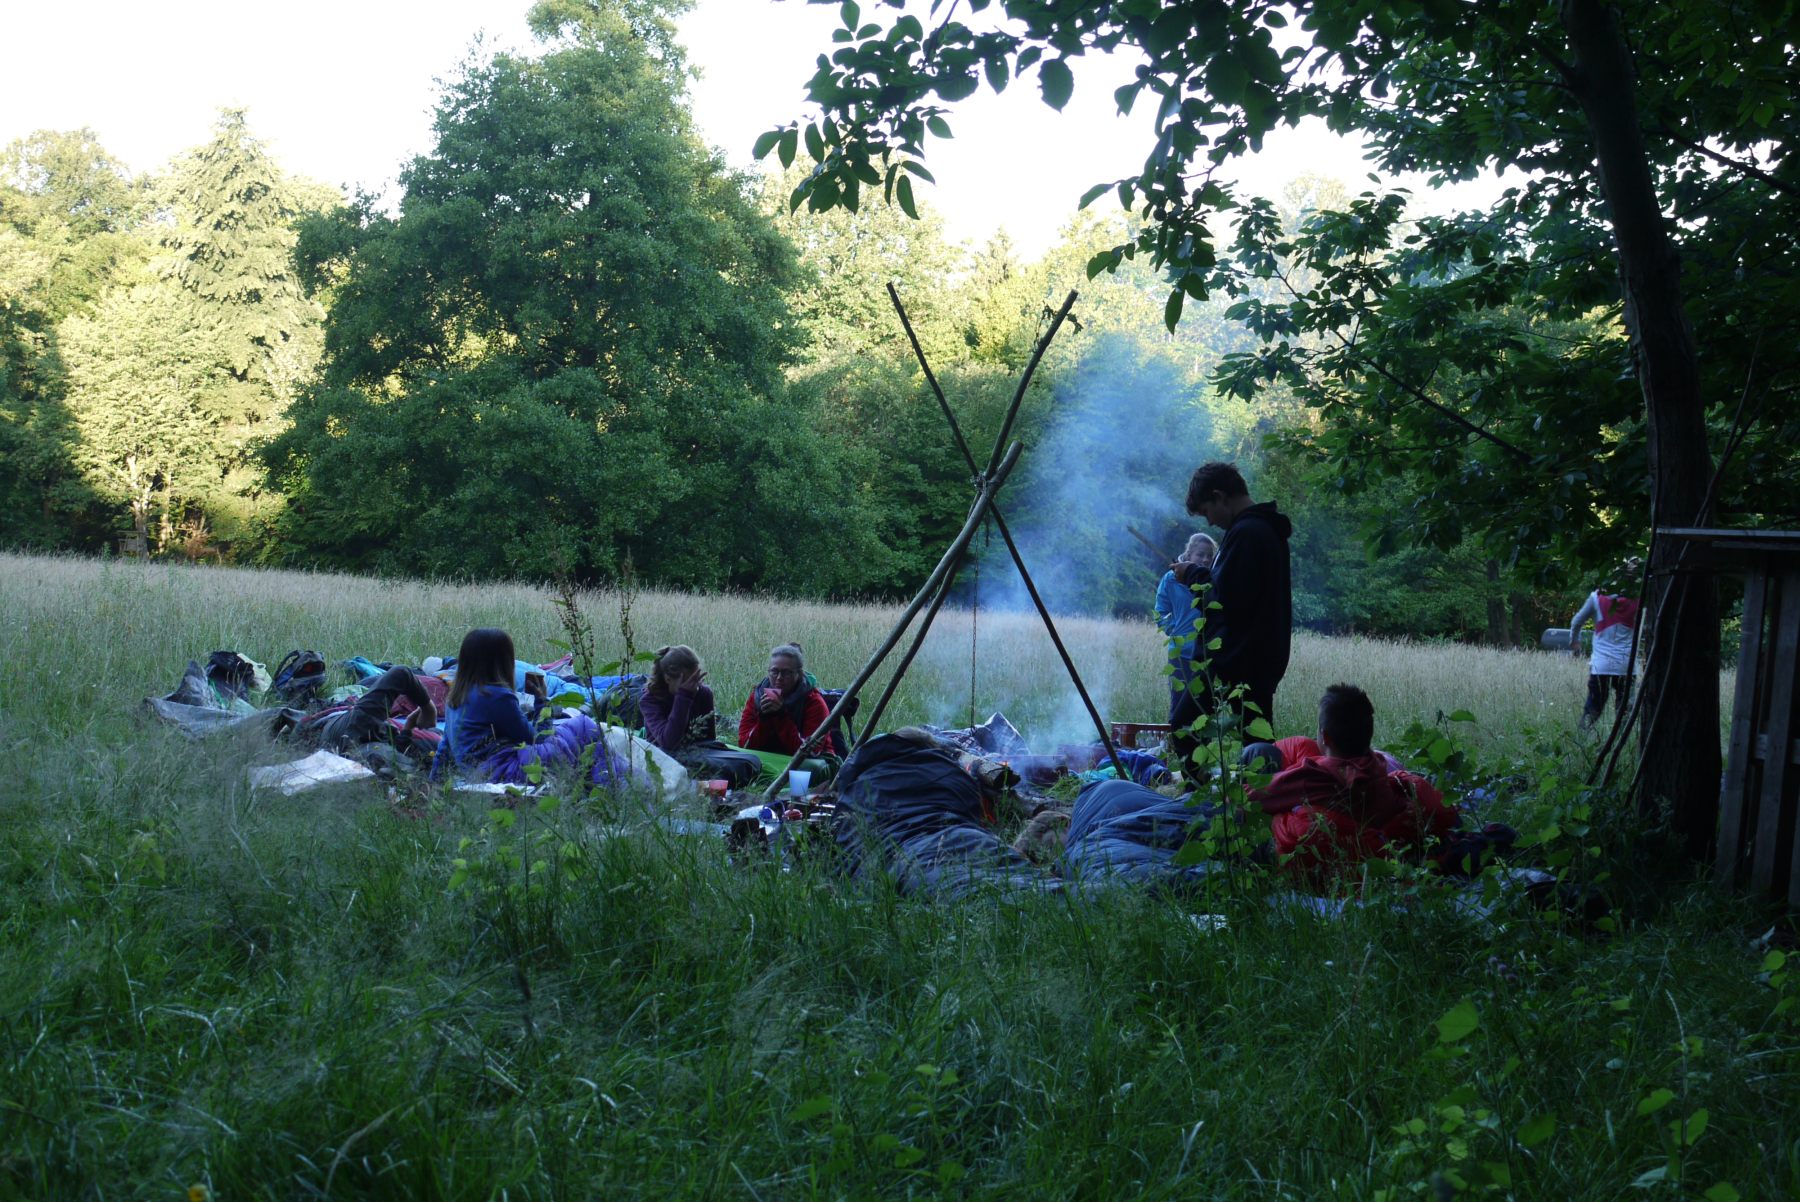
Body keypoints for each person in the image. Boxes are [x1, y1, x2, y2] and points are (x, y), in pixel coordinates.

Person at [1247, 683, 1459, 886]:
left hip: (1316, 858)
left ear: (1325, 737)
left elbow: (1248, 798)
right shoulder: (1377, 766)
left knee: (1247, 776)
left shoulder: (1314, 776)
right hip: (1363, 852)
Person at [1184, 461, 1293, 729]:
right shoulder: (1263, 529)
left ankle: (1212, 774)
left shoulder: (1247, 534)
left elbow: (1226, 603)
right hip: (1257, 660)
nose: (1209, 521)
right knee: (1254, 740)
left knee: (1187, 727)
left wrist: (1193, 575)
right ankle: (1254, 772)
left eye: (1207, 511)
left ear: (1220, 497)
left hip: (1238, 661)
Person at [439, 628, 620, 786]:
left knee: (574, 732)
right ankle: (611, 789)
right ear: (504, 662)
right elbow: (536, 738)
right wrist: (541, 700)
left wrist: (434, 784)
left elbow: (444, 750)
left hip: (475, 774)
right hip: (505, 771)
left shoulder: (455, 699)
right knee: (584, 727)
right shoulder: (497, 696)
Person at [639, 645, 763, 788]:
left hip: (700, 752)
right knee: (722, 772)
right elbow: (668, 742)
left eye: (696, 679)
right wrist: (683, 697)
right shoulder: (650, 700)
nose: (695, 686)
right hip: (665, 756)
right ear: (667, 678)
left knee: (752, 761)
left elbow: (709, 740)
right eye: (689, 681)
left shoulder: (703, 693)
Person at [1156, 531, 1218, 769]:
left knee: (1204, 710)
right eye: (1200, 554)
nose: (1204, 559)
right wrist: (1174, 630)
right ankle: (1183, 763)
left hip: (1207, 654)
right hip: (1180, 653)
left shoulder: (1212, 578)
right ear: (1189, 553)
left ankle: (1205, 763)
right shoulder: (1171, 578)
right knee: (1179, 705)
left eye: (1208, 555)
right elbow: (1159, 611)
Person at [737, 642, 838, 785]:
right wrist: (765, 717)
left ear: (799, 674)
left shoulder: (813, 702)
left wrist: (780, 716)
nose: (779, 678)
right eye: (774, 671)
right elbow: (744, 744)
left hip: (805, 762)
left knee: (808, 769)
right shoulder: (758, 697)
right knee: (729, 753)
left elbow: (811, 752)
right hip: (768, 757)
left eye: (786, 673)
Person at [1569, 558, 1642, 730]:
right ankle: (1622, 741)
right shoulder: (1640, 598)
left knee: (1594, 706)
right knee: (1625, 710)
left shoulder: (1597, 597)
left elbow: (1576, 622)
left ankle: (1583, 735)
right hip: (1627, 665)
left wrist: (1575, 643)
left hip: (1601, 665)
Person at [309, 665, 437, 752]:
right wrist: (424, 714)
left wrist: (427, 710)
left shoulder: (362, 721)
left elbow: (401, 674)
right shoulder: (365, 725)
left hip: (343, 738)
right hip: (349, 741)